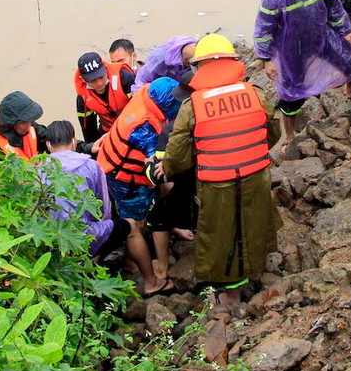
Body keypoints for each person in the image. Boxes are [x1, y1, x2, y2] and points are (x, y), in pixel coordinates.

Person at [163, 35, 280, 306]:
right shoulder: (255, 94)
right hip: (257, 175)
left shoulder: (193, 105)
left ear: (200, 66)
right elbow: (271, 132)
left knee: (219, 235)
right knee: (254, 221)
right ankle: (254, 268)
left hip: (218, 183)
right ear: (233, 62)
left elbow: (178, 157)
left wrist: (167, 168)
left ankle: (229, 293)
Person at [254, 0, 351, 141]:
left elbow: (335, 8)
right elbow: (264, 28)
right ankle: (289, 134)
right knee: (292, 92)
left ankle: (350, 87)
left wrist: (346, 31)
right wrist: (266, 59)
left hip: (320, 36)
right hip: (291, 48)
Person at [96, 77, 183, 295]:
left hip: (110, 161)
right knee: (134, 224)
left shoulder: (146, 93)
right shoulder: (145, 129)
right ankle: (149, 279)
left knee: (144, 212)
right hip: (123, 178)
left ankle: (137, 251)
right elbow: (153, 172)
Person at [45, 120, 130, 264]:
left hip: (52, 241)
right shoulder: (90, 165)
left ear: (48, 145)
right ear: (73, 141)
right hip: (84, 236)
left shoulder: (39, 169)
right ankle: (148, 277)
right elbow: (103, 207)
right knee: (130, 226)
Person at [73, 51, 135, 143]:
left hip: (134, 127)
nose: (99, 83)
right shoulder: (83, 98)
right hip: (108, 133)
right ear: (83, 80)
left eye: (101, 77)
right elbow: (89, 131)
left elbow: (141, 105)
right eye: (93, 80)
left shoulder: (124, 77)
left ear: (105, 69)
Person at [0, 91, 44, 159]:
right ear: (11, 124)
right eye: (24, 122)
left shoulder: (26, 124)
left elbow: (46, 135)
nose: (29, 124)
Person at [133, 36, 198, 91]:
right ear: (183, 58)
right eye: (189, 63)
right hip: (160, 88)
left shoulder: (199, 51)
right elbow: (142, 79)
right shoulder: (159, 59)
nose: (192, 66)